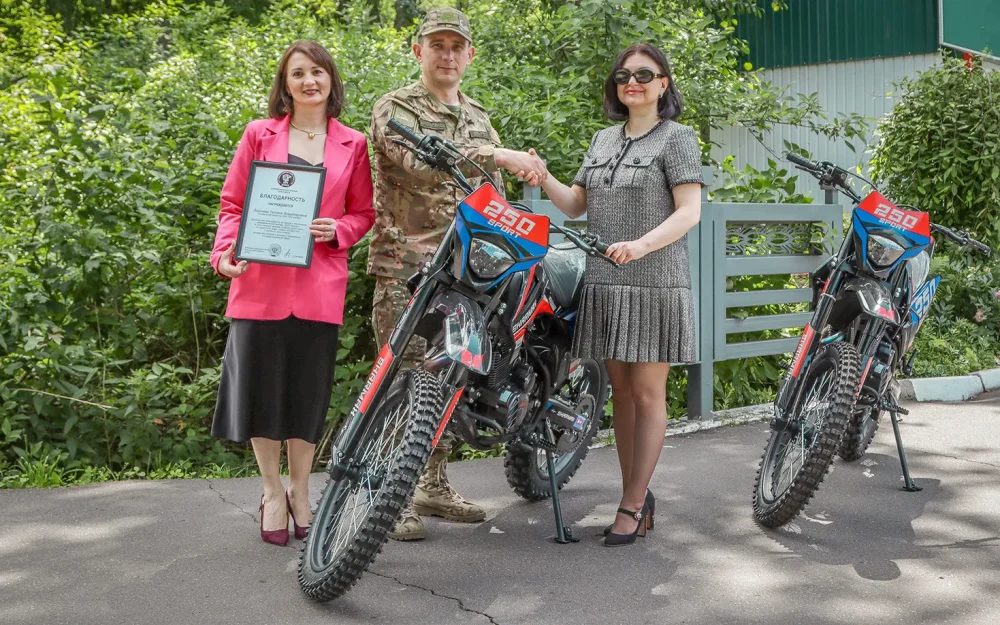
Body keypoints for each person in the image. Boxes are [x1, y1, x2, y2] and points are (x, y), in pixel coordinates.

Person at [368, 7, 547, 541]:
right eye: (437, 44)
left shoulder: (479, 116)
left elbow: (491, 198)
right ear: (418, 50)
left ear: (469, 55)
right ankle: (387, 493)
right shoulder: (395, 107)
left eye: (456, 46)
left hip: (465, 275)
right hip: (409, 268)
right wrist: (497, 153)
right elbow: (420, 161)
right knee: (404, 378)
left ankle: (432, 483)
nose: (447, 54)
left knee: (449, 380)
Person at [533, 42, 703, 546]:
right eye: (624, 75)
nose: (633, 82)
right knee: (622, 394)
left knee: (648, 393)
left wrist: (642, 244)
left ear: (663, 84)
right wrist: (543, 177)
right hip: (606, 281)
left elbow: (689, 211)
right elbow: (575, 205)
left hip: (654, 280)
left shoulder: (677, 138)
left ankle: (631, 504)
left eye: (645, 75)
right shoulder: (604, 139)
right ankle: (636, 493)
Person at [210, 40, 375, 546]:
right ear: (285, 84)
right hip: (258, 285)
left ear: (331, 80)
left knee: (306, 397)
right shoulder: (258, 135)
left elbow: (364, 213)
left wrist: (339, 230)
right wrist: (223, 255)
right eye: (298, 73)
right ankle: (270, 490)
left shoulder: (354, 143)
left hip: (318, 288)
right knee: (262, 397)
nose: (309, 81)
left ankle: (301, 491)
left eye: (318, 71)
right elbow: (232, 204)